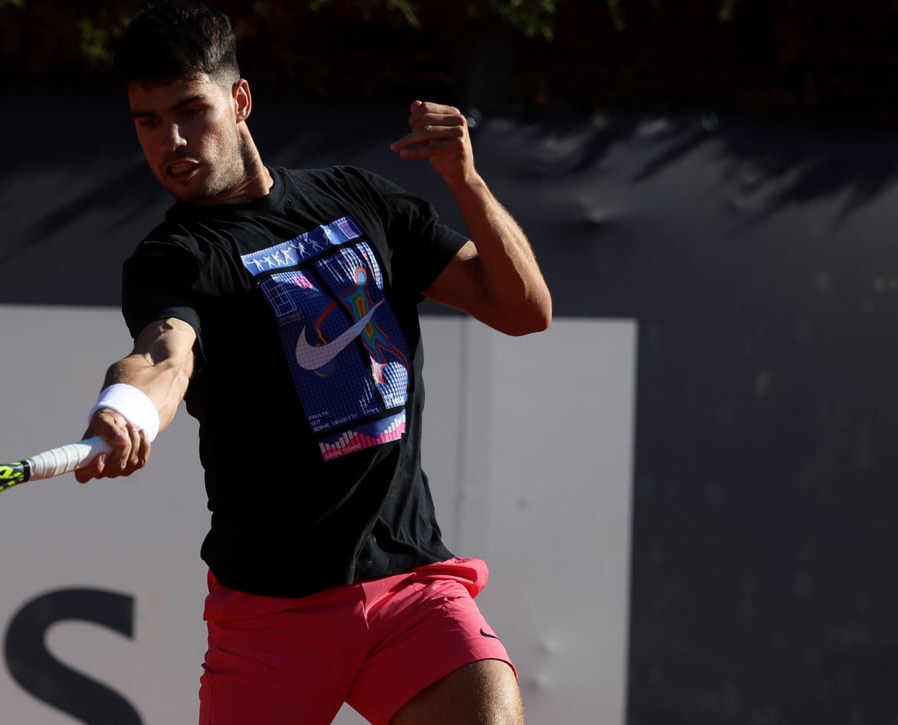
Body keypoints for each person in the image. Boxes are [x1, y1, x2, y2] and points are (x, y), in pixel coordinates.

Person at [75, 3, 552, 723]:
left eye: (190, 110)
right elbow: (163, 352)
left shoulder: (359, 199)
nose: (171, 140)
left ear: (240, 100)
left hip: (409, 586)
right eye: (148, 120)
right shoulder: (173, 259)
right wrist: (127, 408)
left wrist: (467, 182)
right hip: (272, 616)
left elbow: (522, 309)